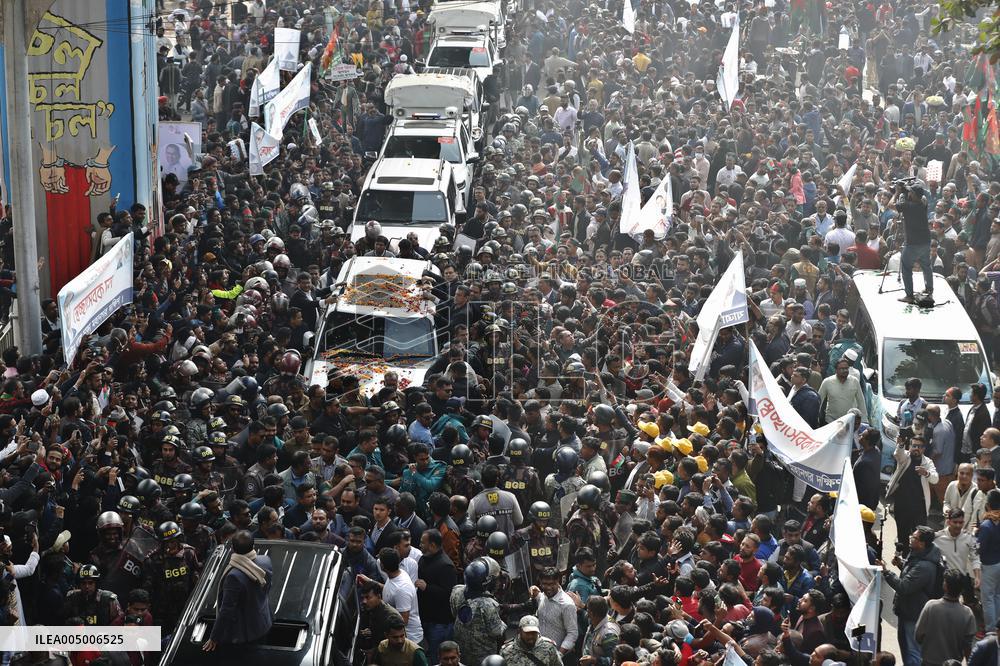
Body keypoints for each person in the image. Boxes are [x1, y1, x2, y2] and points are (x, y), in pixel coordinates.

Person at [882, 526, 945, 666]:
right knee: (906, 647)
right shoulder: (920, 554)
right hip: (908, 610)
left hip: (914, 613)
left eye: (914, 538)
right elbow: (912, 573)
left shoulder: (925, 566)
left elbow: (904, 587)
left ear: (922, 543)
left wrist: (886, 572)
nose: (910, 539)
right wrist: (901, 564)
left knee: (912, 651)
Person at [202, 530, 273, 651]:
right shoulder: (265, 560)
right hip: (263, 623)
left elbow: (226, 610)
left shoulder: (234, 576)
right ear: (253, 546)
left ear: (233, 549)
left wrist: (214, 637)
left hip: (245, 634)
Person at [915, 569, 977, 665]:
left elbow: (918, 635)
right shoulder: (967, 614)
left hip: (929, 662)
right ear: (962, 590)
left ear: (945, 586)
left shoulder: (931, 606)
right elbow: (968, 646)